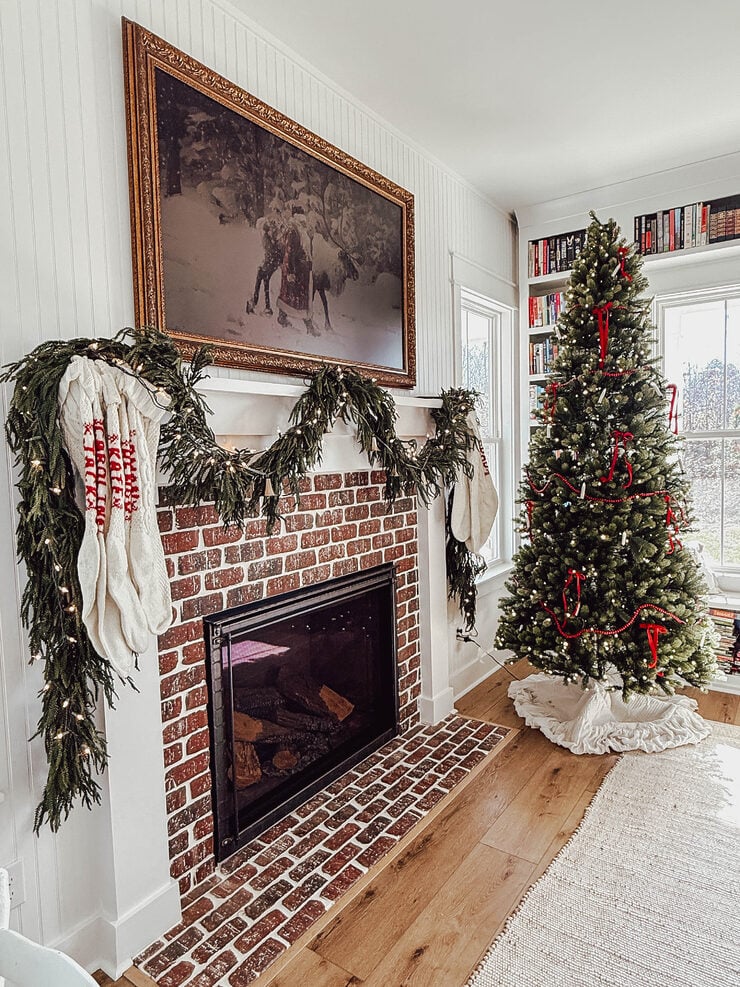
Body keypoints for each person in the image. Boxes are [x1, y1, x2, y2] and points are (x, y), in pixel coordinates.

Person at [276, 206, 319, 337]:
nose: (303, 218)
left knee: (297, 297)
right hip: (296, 270)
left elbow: (306, 250)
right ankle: (307, 324)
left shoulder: (302, 230)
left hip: (302, 271)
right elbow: (289, 252)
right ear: (297, 216)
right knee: (294, 296)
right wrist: (290, 271)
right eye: (301, 215)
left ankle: (284, 317)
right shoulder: (293, 230)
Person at [245, 216, 284, 316]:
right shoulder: (267, 238)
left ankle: (257, 303)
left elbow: (271, 251)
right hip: (270, 263)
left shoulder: (268, 238)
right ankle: (265, 306)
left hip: (270, 264)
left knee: (261, 280)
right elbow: (271, 251)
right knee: (264, 282)